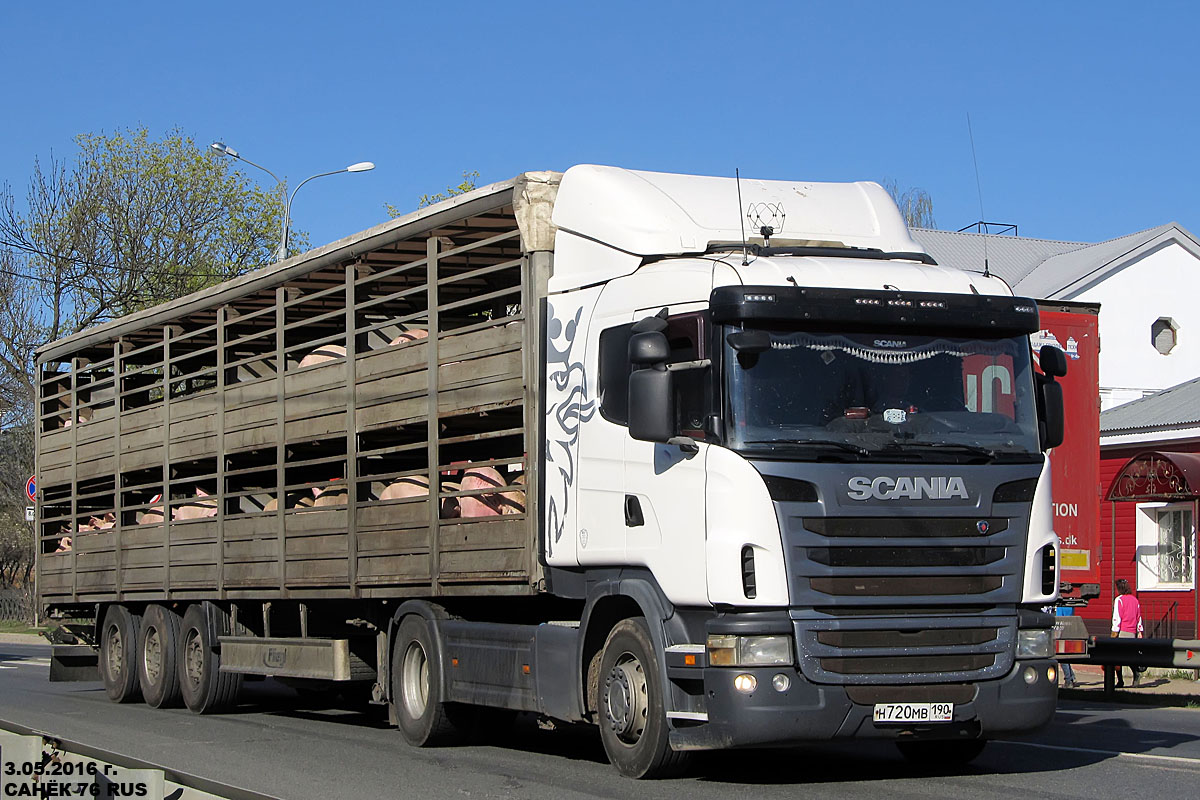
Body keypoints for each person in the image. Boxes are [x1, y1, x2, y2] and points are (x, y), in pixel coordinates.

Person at [1111, 578, 1144, 687]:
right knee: (1129, 656)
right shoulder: (1135, 600)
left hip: (1122, 632)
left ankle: (1120, 680)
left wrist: (1114, 633)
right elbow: (1138, 617)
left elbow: (1117, 618)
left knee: (1116, 658)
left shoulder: (1119, 600)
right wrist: (1140, 631)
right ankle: (1135, 674)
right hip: (1132, 632)